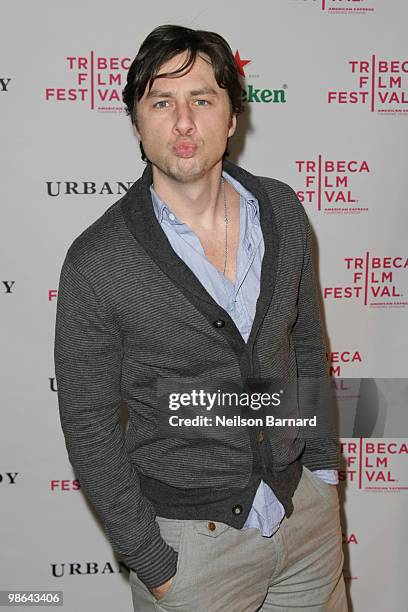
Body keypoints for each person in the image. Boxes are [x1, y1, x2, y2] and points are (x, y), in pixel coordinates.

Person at [54, 24, 348, 611]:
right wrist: (152, 560)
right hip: (192, 551)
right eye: (162, 102)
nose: (184, 122)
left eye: (202, 100)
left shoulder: (283, 210)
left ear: (232, 117)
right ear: (137, 122)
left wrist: (323, 469)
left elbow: (309, 347)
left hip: (305, 522)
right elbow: (88, 420)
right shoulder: (98, 259)